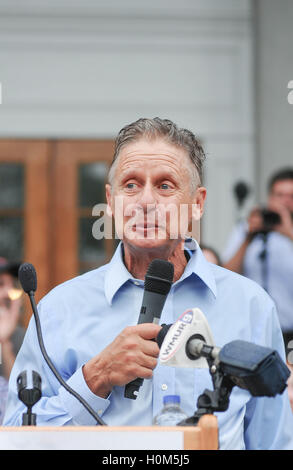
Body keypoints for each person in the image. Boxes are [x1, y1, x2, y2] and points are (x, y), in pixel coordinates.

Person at [3, 118, 293, 450]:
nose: (146, 201)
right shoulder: (59, 308)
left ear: (197, 204)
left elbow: (274, 443)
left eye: (165, 186)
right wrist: (95, 377)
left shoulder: (250, 305)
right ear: (111, 202)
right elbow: (16, 439)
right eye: (131, 185)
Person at [222, 169, 293, 356]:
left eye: (291, 196)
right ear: (270, 197)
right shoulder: (246, 228)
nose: (285, 201)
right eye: (280, 195)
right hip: (254, 330)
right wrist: (248, 238)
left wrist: (288, 232)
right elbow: (226, 274)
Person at [0, 257, 25, 424]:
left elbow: (20, 394)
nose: (8, 293)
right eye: (1, 285)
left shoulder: (22, 335)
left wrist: (4, 342)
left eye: (12, 285)